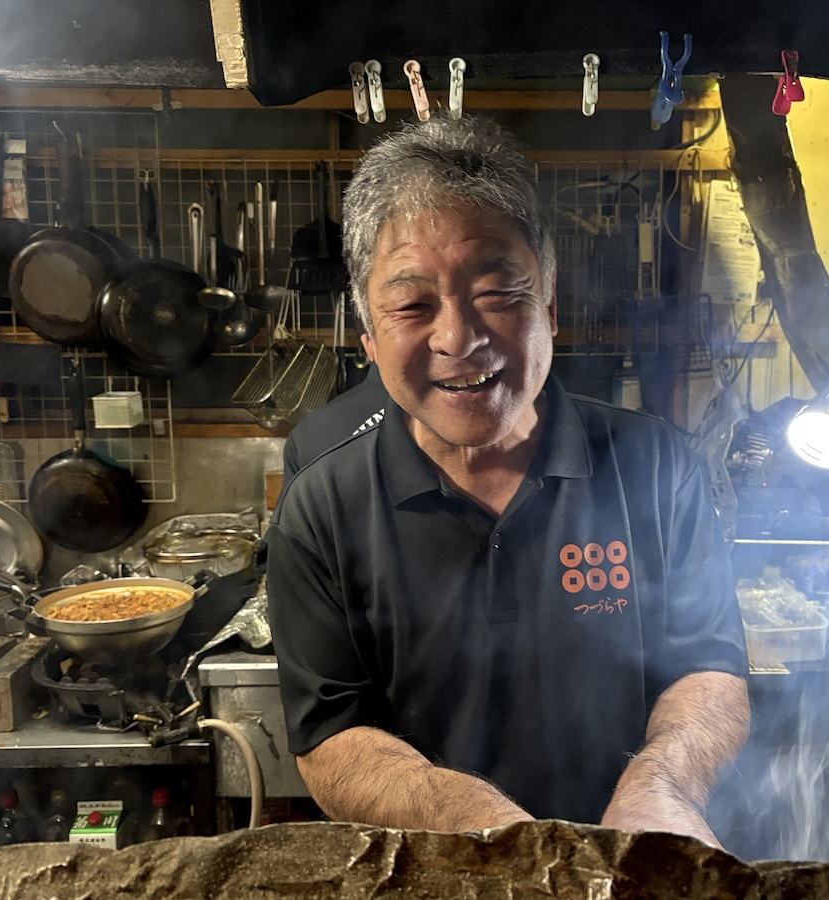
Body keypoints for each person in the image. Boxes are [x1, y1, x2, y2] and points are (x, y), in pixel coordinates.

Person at [266, 116, 750, 844]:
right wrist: (497, 837)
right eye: (412, 305)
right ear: (369, 338)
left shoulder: (654, 466)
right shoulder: (323, 506)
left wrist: (662, 786)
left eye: (496, 292)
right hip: (438, 872)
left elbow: (707, 667)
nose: (458, 338)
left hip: (624, 857)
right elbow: (332, 734)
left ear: (548, 309)